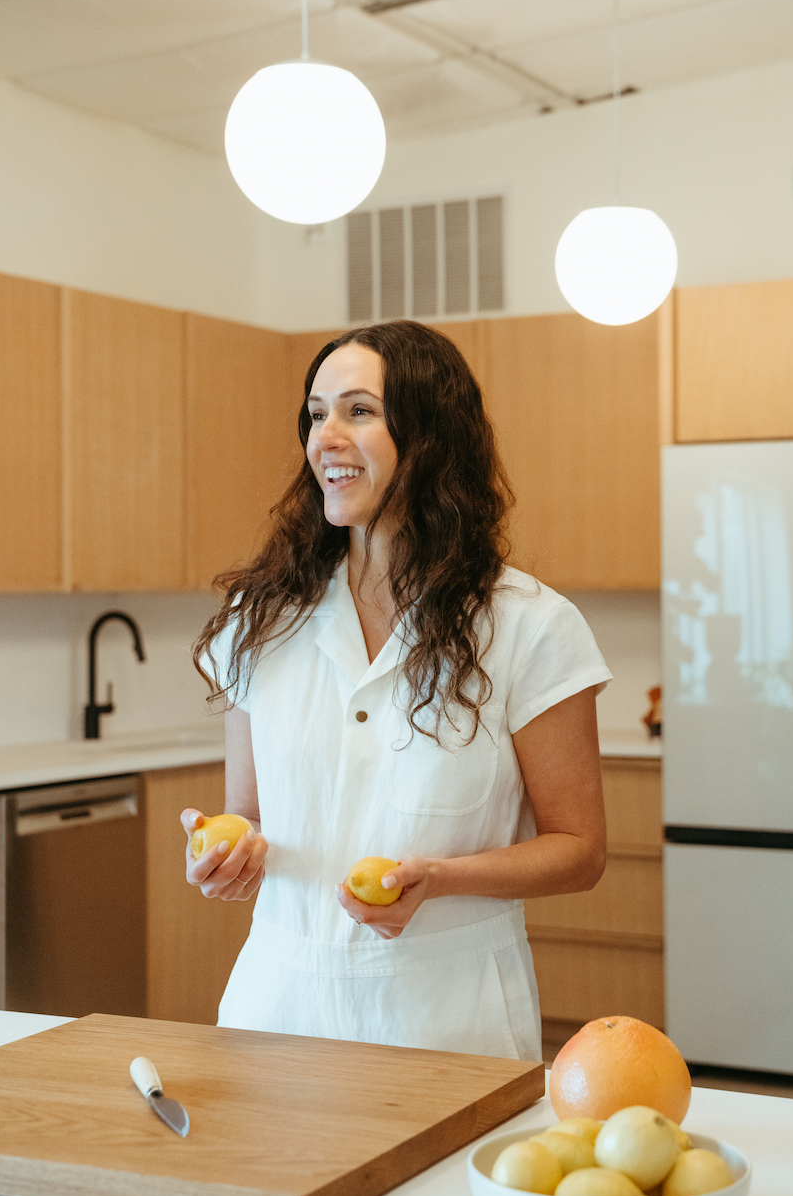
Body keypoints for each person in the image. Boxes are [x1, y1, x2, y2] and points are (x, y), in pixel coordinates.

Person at [184, 320, 611, 1061]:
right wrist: (228, 855)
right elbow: (247, 816)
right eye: (316, 414)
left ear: (430, 436)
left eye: (358, 411)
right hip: (274, 1016)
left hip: (446, 1026)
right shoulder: (262, 622)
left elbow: (580, 849)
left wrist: (440, 879)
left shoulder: (529, 626)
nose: (325, 438)